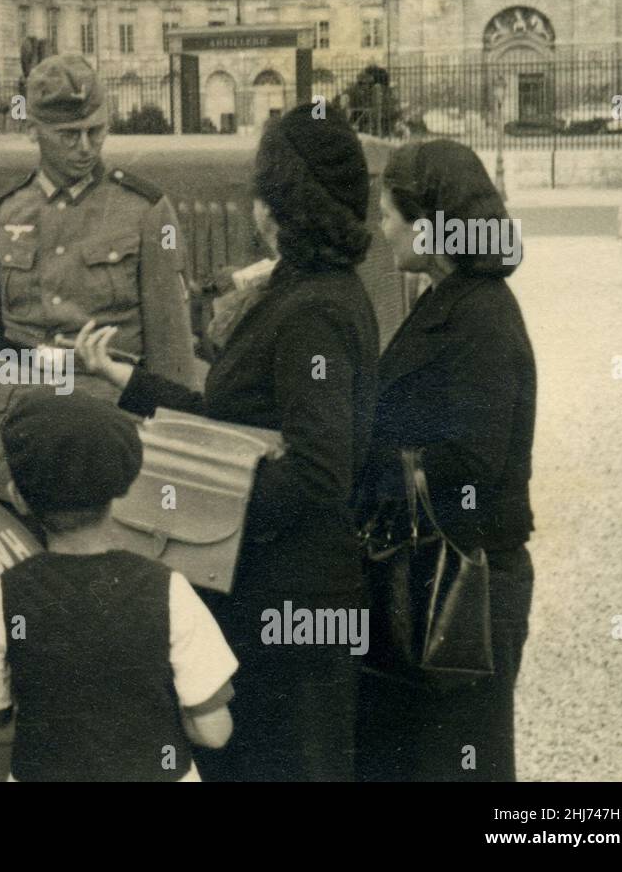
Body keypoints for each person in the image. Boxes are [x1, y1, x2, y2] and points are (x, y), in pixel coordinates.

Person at [75, 103, 380, 781]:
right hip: (277, 597)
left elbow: (320, 473)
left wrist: (190, 490)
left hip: (287, 609)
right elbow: (228, 420)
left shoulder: (315, 312)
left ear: (280, 209)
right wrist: (128, 381)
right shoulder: (307, 292)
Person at [355, 139, 536, 782]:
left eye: (389, 214)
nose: (382, 227)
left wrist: (366, 464)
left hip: (468, 586)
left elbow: (471, 464)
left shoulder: (480, 315)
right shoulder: (449, 300)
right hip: (443, 576)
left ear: (428, 225)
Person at [0, 53, 196, 502]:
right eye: (68, 135)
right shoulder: (4, 213)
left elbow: (172, 353)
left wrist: (182, 462)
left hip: (105, 431)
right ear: (33, 130)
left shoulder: (146, 212)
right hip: (10, 433)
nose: (86, 147)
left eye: (96, 130)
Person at [0, 391, 238, 782]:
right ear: (122, 491)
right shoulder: (168, 590)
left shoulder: (3, 596)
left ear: (18, 498)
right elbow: (215, 730)